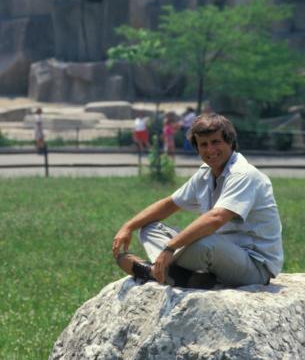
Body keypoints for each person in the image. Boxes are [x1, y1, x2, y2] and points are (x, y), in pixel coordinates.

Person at [112, 113, 283, 289]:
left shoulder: (243, 174)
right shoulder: (205, 174)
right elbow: (170, 204)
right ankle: (181, 276)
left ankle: (153, 272)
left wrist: (170, 248)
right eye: (203, 144)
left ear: (230, 142)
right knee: (149, 228)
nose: (210, 150)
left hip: (254, 266)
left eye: (216, 142)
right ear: (197, 148)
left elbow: (216, 218)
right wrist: (128, 227)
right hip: (219, 253)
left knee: (203, 242)